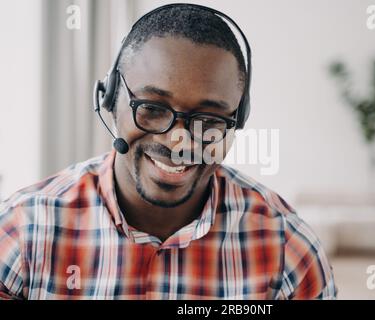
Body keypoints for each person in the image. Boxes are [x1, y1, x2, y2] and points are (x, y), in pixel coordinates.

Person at [0, 3, 336, 300]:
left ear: (237, 121)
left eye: (209, 119)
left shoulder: (288, 250)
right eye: (152, 107)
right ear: (110, 98)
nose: (180, 140)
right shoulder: (22, 232)